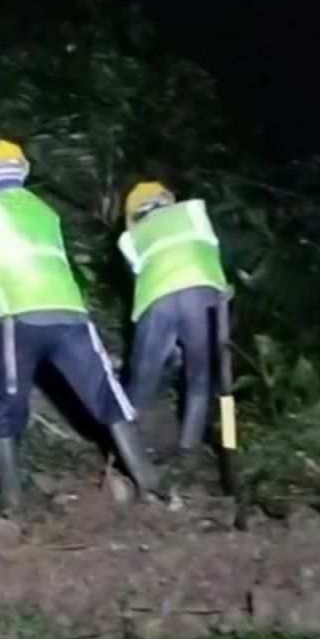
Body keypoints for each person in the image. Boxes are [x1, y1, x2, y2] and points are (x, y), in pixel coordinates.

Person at [0, 140, 160, 511]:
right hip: (69, 316)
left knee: (6, 406)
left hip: (17, 318)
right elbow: (14, 261)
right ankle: (151, 485)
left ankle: (11, 497)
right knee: (107, 397)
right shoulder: (45, 211)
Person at [118, 182, 229, 457]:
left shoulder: (128, 238)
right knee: (201, 379)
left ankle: (128, 449)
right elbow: (211, 252)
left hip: (157, 297)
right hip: (205, 294)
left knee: (143, 378)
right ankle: (189, 451)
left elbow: (138, 274)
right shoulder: (195, 212)